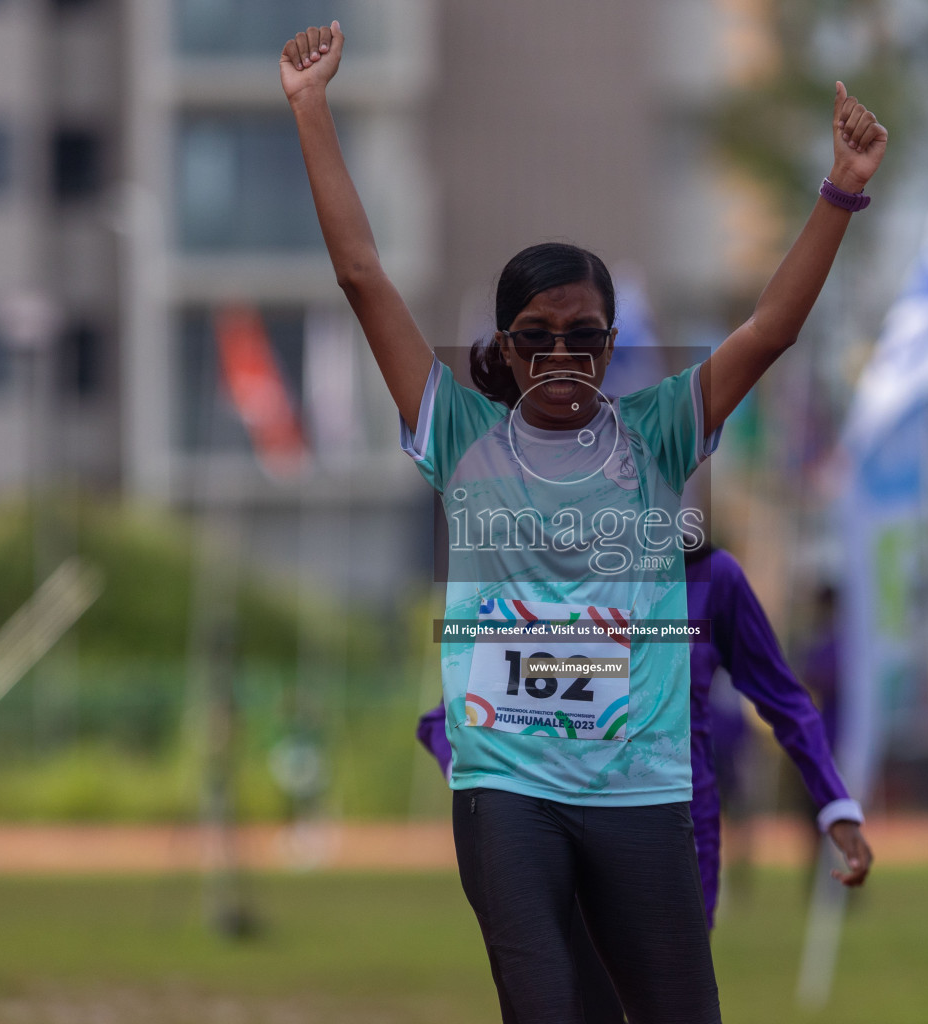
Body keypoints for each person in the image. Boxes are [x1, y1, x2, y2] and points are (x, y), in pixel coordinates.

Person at [281, 21, 887, 1023]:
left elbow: (770, 329)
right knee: (548, 1004)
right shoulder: (459, 432)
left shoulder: (658, 434)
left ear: (611, 347)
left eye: (584, 336)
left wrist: (842, 189)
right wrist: (311, 110)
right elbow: (363, 276)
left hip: (638, 793)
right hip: (509, 786)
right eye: (537, 337)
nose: (562, 354)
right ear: (507, 351)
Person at [418, 544, 868, 1022]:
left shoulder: (711, 576)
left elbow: (783, 696)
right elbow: (443, 716)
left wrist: (835, 803)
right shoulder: (546, 573)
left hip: (681, 841)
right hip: (560, 832)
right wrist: (482, 777)